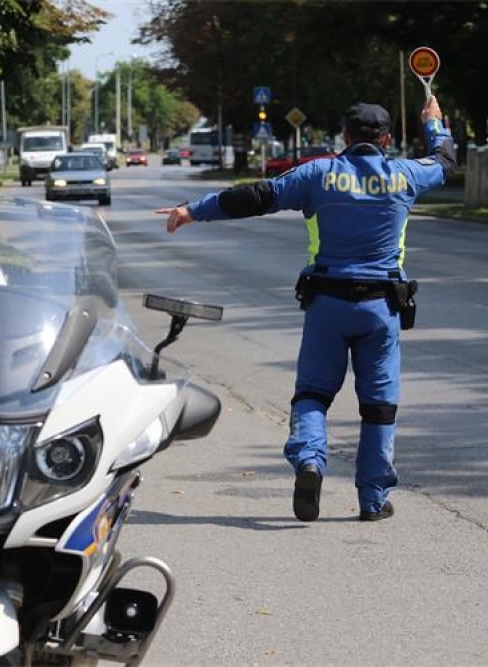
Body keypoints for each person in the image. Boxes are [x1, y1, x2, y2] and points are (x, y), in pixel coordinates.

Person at [156, 95, 455, 523]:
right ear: (387, 139)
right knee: (378, 405)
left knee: (313, 394)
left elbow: (258, 196)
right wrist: (434, 123)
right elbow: (445, 161)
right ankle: (372, 499)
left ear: (345, 137)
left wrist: (193, 210)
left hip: (328, 304)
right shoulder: (403, 175)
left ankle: (310, 461)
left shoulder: (321, 173)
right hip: (381, 308)